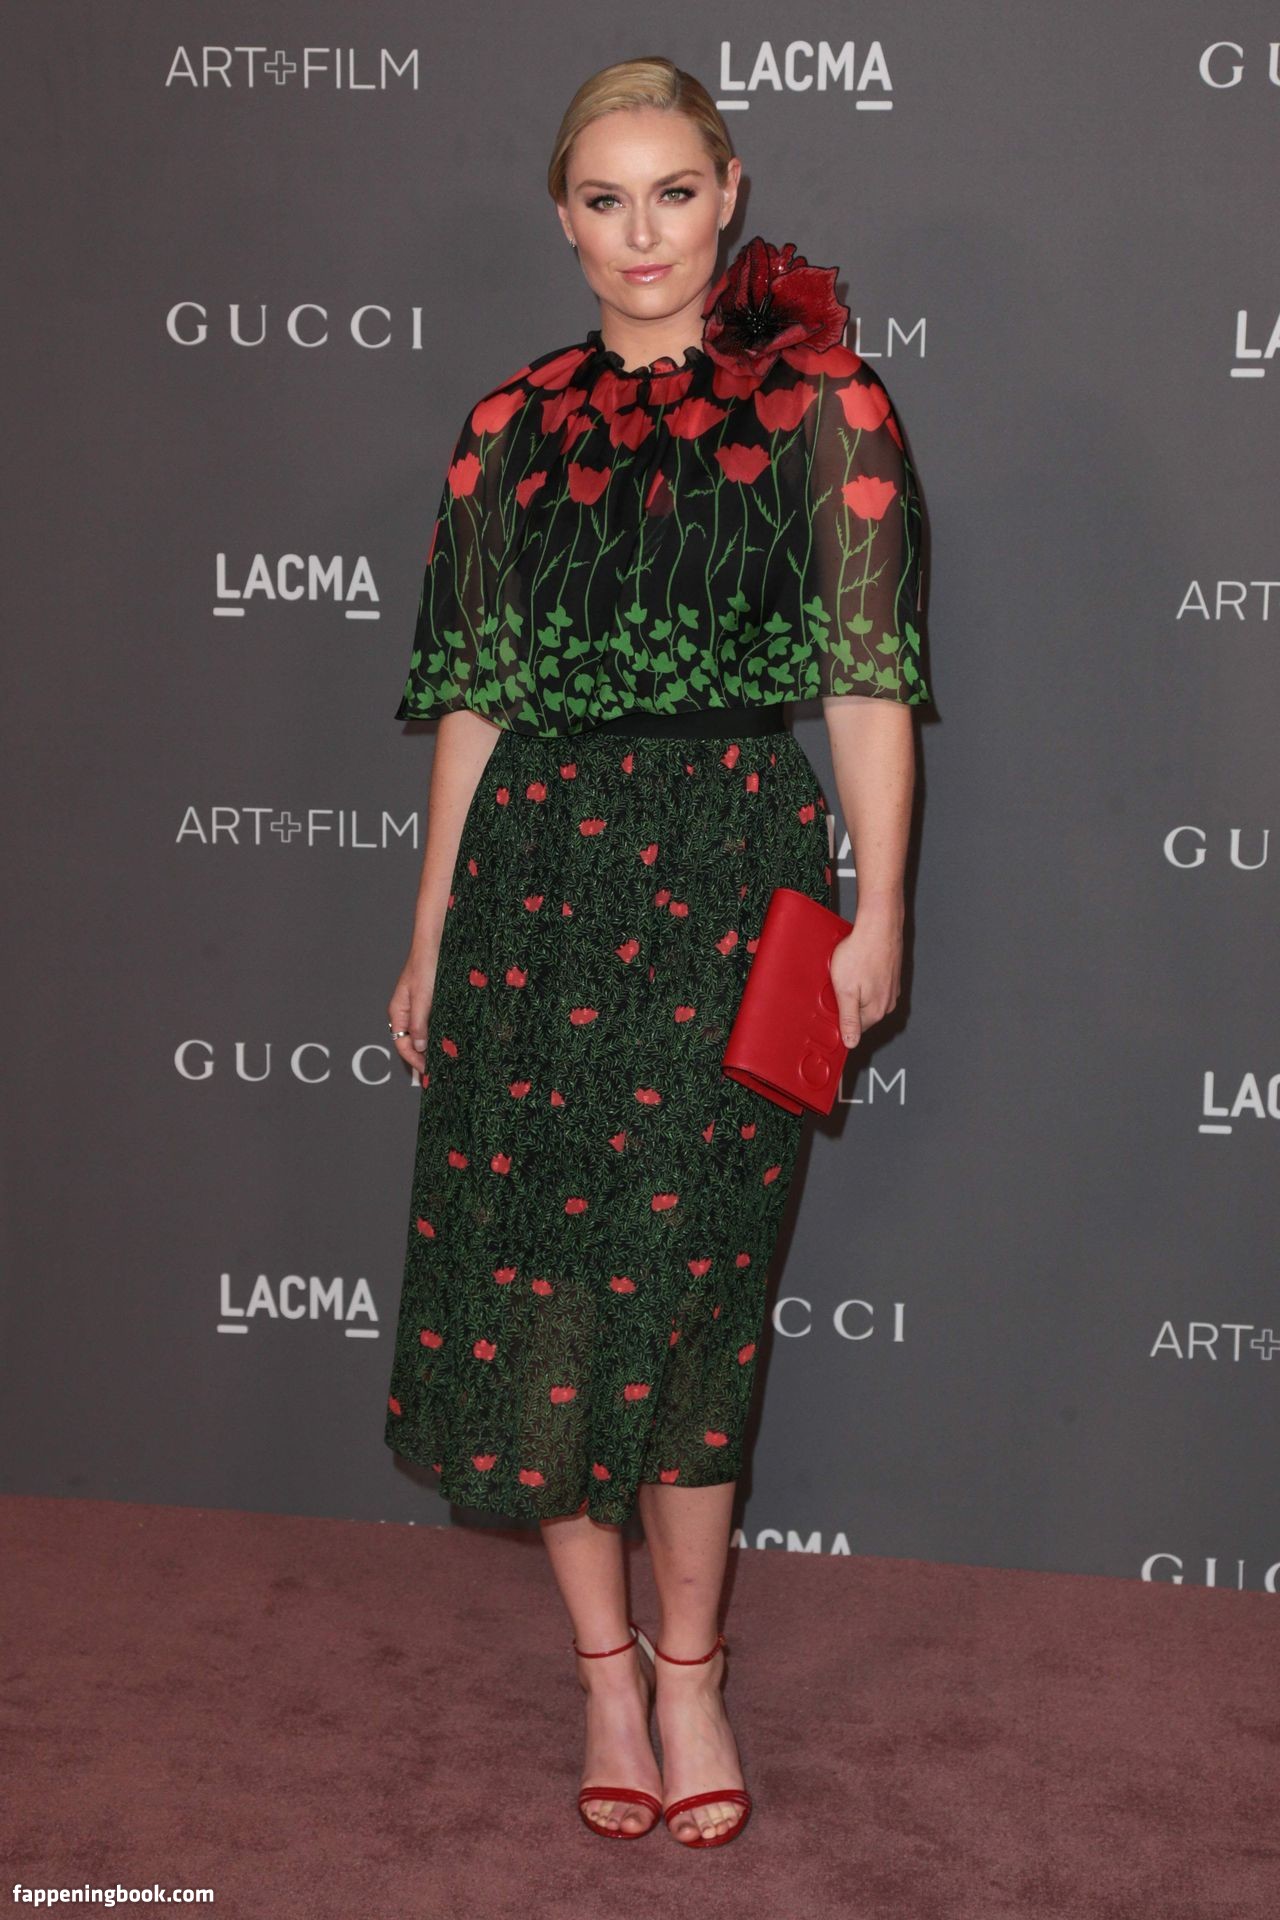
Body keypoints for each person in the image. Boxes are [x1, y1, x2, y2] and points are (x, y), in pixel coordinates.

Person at [383, 57, 932, 1849]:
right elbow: (475, 705)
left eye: (675, 193)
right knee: (543, 1286)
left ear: (730, 189)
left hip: (726, 874)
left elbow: (866, 687)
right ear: (563, 215)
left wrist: (878, 908)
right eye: (607, 200)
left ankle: (693, 1674)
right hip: (533, 885)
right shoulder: (508, 425)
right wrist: (431, 925)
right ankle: (606, 1676)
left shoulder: (824, 404)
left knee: (693, 1301)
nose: (644, 234)